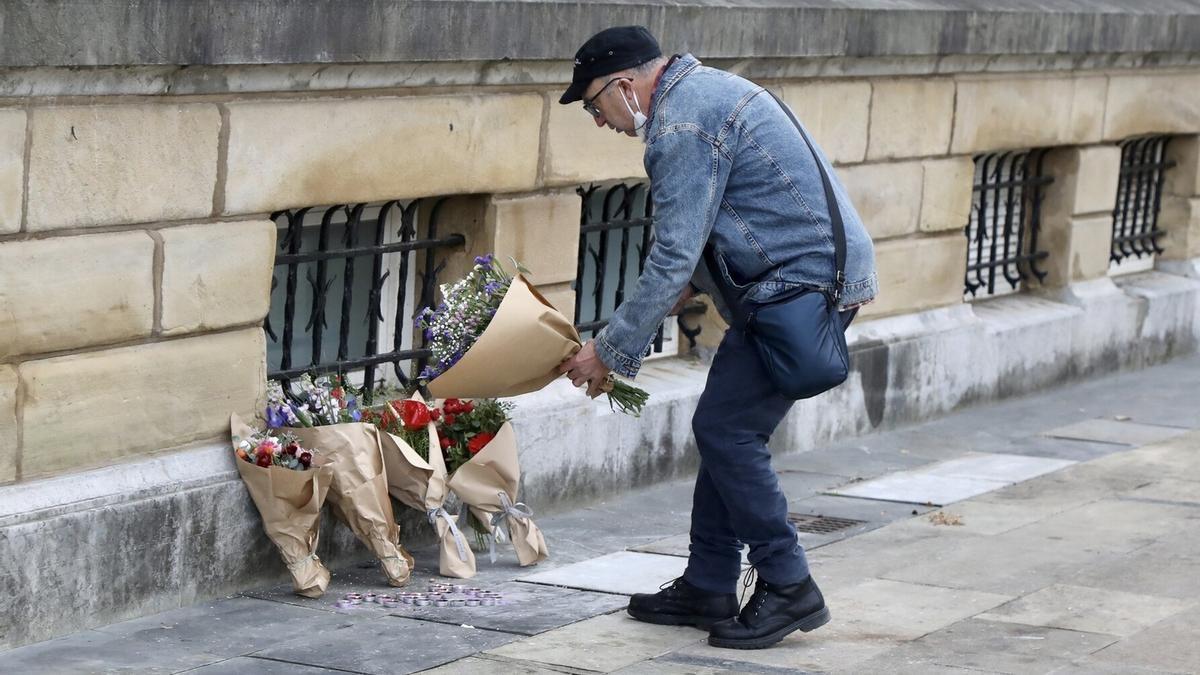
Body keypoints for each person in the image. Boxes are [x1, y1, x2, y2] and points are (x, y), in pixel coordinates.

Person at [556, 26, 877, 650]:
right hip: (798, 282)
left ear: (625, 86)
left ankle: (788, 582)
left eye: (594, 104)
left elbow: (675, 250)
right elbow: (721, 220)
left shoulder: (680, 125)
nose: (598, 120)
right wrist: (676, 294)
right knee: (725, 425)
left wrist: (611, 352)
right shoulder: (708, 93)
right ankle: (709, 581)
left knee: (727, 431)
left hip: (796, 289)